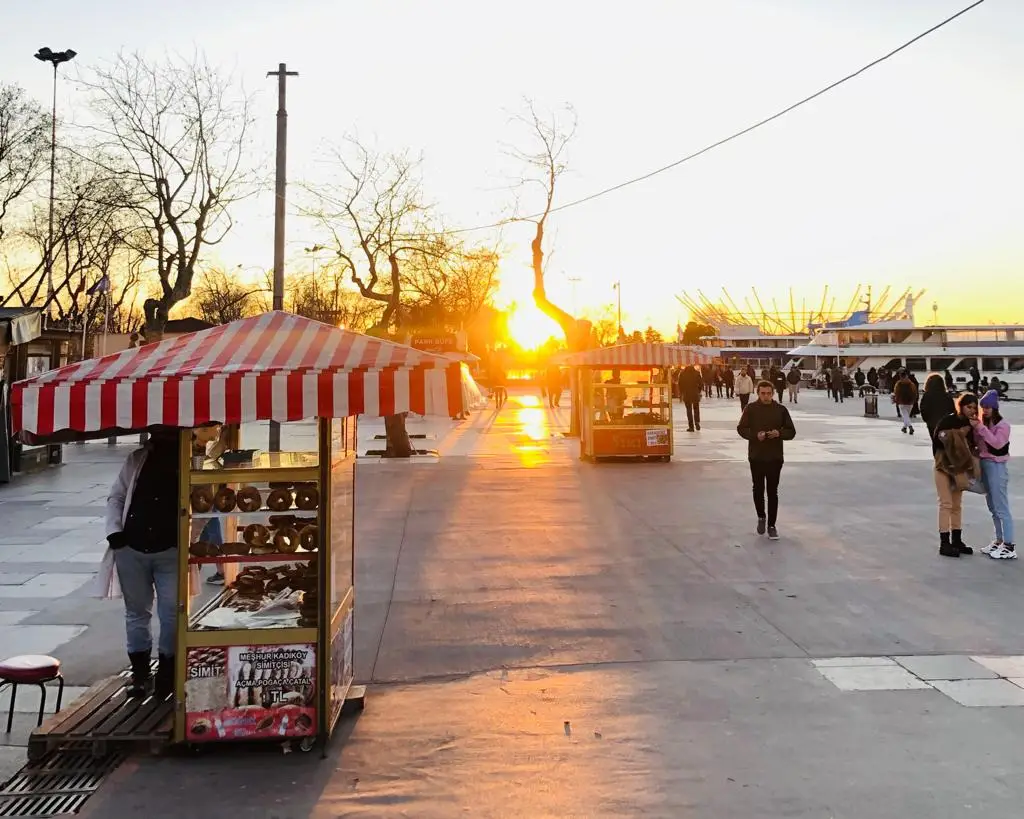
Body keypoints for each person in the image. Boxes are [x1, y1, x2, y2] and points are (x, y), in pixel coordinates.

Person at [105, 426, 181, 698]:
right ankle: (140, 673)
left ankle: (168, 671)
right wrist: (115, 533)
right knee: (137, 612)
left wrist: (189, 539)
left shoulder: (190, 462)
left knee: (172, 612)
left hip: (171, 550)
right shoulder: (137, 459)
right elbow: (117, 496)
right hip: (132, 547)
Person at [737, 381, 797, 540]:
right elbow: (741, 428)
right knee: (758, 489)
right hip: (756, 456)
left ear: (773, 393)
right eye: (763, 393)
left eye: (768, 393)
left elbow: (791, 431)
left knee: (772, 492)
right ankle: (761, 516)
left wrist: (779, 433)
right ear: (758, 393)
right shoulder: (750, 409)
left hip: (775, 457)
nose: (766, 396)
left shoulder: (781, 410)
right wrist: (755, 435)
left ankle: (772, 525)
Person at [933, 393, 980, 558]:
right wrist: (959, 433)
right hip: (943, 467)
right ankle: (944, 543)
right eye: (969, 407)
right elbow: (937, 441)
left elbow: (975, 445)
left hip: (959, 469)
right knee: (946, 504)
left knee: (957, 505)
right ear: (961, 406)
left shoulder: (973, 424)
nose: (972, 410)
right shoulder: (948, 420)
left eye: (974, 407)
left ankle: (957, 540)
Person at [973, 390, 1015, 560]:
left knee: (1001, 507)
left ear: (995, 407)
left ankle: (1009, 544)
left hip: (997, 466)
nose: (985, 410)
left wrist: (980, 428)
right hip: (985, 465)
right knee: (992, 507)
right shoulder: (985, 423)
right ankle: (999, 540)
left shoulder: (1003, 425)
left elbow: (997, 444)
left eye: (988, 407)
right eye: (983, 407)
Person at [920, 373, 955, 442]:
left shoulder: (927, 396)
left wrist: (927, 420)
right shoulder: (947, 396)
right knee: (945, 444)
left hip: (932, 424)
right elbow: (952, 410)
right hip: (945, 424)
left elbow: (923, 409)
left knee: (935, 443)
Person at [680, 364, 703, 432]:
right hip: (695, 394)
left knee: (689, 410)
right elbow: (701, 384)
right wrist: (698, 391)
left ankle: (691, 427)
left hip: (687, 395)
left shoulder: (682, 374)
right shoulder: (697, 373)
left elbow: (680, 384)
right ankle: (697, 422)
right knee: (696, 409)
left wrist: (682, 392)